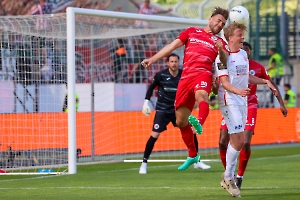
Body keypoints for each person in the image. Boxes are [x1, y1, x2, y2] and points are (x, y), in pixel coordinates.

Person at [141, 7, 230, 171]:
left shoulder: (220, 42)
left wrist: (220, 50)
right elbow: (171, 46)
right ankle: (192, 155)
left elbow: (225, 60)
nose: (220, 25)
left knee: (202, 96)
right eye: (218, 20)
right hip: (185, 78)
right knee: (181, 121)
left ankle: (199, 124)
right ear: (210, 19)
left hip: (203, 74)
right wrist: (152, 60)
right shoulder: (191, 32)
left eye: (223, 24)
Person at [214, 23, 278, 197]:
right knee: (240, 139)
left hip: (242, 100)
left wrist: (263, 81)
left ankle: (228, 176)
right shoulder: (222, 58)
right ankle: (228, 176)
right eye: (240, 34)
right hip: (229, 99)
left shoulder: (243, 54)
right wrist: (238, 91)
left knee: (237, 141)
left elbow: (247, 76)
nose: (243, 37)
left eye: (242, 35)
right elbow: (225, 83)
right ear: (230, 37)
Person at [139, 53, 211, 174]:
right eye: (171, 61)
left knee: (191, 131)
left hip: (178, 109)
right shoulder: (161, 75)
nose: (174, 64)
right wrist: (146, 103)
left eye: (176, 61)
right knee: (154, 135)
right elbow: (151, 88)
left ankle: (197, 160)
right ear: (168, 63)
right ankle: (144, 163)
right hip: (162, 110)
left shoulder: (184, 75)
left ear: (179, 62)